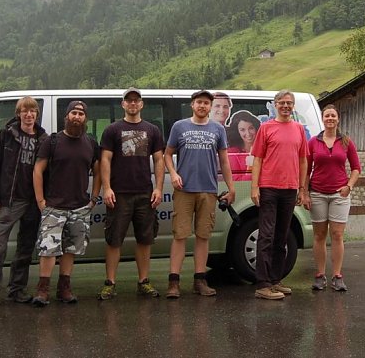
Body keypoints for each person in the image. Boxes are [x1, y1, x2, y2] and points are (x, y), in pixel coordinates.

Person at [0, 96, 46, 308]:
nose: (29, 115)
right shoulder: (6, 135)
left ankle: (17, 290)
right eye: (24, 111)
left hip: (32, 201)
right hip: (10, 201)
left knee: (25, 249)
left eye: (32, 111)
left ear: (37, 114)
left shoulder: (43, 138)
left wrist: (43, 199)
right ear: (18, 114)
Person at [163, 90, 236, 298]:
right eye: (199, 102)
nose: (202, 106)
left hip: (208, 190)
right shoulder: (179, 126)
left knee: (203, 236)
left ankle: (200, 280)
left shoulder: (217, 129)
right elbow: (167, 154)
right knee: (180, 235)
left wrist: (231, 188)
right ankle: (174, 282)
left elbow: (224, 161)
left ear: (210, 107)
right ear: (192, 105)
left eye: (206, 103)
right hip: (184, 190)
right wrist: (174, 174)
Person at [30, 100, 101, 306]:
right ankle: (42, 290)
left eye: (81, 114)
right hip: (54, 206)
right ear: (66, 116)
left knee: (71, 249)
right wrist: (40, 200)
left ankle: (64, 288)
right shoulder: (52, 141)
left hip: (80, 206)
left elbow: (98, 172)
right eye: (73, 113)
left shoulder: (91, 143)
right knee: (48, 249)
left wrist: (93, 198)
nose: (77, 117)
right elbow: (38, 170)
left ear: (85, 118)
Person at [98, 87, 165, 299]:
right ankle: (110, 283)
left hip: (145, 193)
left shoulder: (152, 130)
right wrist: (107, 188)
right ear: (123, 104)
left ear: (142, 104)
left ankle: (143, 281)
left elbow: (159, 160)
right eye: (129, 100)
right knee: (114, 240)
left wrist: (159, 188)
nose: (133, 103)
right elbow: (105, 160)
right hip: (119, 193)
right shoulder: (112, 130)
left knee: (145, 239)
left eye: (136, 100)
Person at [250, 90, 308, 300]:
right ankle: (263, 284)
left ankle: (275, 280)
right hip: (269, 188)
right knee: (266, 235)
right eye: (282, 102)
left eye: (289, 103)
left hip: (290, 189)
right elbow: (257, 159)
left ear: (293, 106)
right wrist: (254, 187)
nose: (286, 106)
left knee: (282, 236)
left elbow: (303, 160)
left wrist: (302, 188)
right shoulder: (266, 128)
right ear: (275, 105)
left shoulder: (299, 129)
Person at [303, 104, 361, 292]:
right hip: (317, 194)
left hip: (339, 195)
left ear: (338, 119)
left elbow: (356, 168)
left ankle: (337, 276)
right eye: (327, 115)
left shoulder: (346, 142)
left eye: (333, 116)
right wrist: (304, 193)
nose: (330, 118)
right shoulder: (313, 142)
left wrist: (349, 186)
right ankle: (320, 275)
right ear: (322, 119)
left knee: (337, 235)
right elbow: (306, 170)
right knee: (319, 235)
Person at [226, 110, 261, 180]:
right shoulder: (232, 153)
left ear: (256, 128)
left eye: (251, 128)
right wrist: (252, 166)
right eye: (242, 130)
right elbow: (237, 180)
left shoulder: (265, 148)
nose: (248, 133)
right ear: (237, 132)